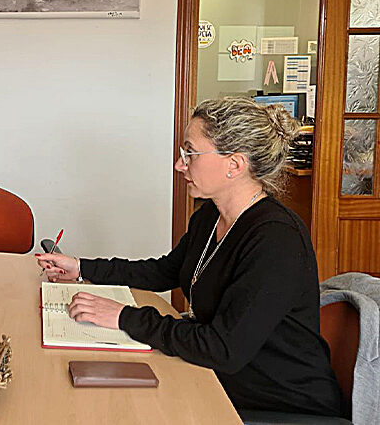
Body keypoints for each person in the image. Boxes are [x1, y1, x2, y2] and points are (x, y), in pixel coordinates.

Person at [37, 97, 343, 418]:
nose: (180, 164)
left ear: (234, 165)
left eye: (190, 153)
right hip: (219, 380)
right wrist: (82, 268)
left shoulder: (277, 239)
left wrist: (122, 317)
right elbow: (166, 270)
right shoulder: (210, 215)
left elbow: (222, 349)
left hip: (279, 406)